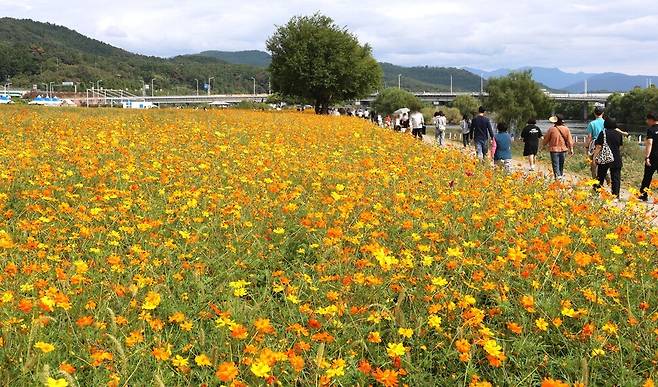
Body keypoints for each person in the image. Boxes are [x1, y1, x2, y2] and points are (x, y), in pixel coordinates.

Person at [593, 117, 624, 199]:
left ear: (605, 124)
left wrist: (594, 158)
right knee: (616, 178)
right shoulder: (619, 134)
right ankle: (615, 196)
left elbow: (599, 146)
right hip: (616, 158)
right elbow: (619, 147)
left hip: (605, 158)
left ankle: (597, 193)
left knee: (600, 176)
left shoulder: (603, 133)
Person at [542, 114, 574, 180]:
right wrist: (571, 149)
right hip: (563, 150)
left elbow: (546, 140)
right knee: (561, 165)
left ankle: (558, 178)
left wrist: (543, 146)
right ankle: (560, 176)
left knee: (555, 165)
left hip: (554, 150)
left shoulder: (551, 129)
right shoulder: (566, 129)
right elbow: (570, 141)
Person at [639, 112, 658, 202]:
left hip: (653, 157)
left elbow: (649, 143)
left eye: (648, 120)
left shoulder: (651, 130)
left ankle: (643, 195)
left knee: (647, 176)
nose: (647, 121)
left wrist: (647, 157)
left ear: (651, 120)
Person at [586, 106, 606, 180]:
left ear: (594, 113)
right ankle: (606, 175)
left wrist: (587, 147)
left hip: (594, 144)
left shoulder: (592, 124)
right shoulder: (606, 122)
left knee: (593, 163)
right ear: (603, 113)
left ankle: (595, 180)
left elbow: (589, 137)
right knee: (603, 161)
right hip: (604, 144)